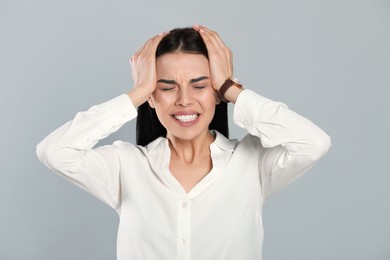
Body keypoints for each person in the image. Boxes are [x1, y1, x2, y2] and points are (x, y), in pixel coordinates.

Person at [36, 25, 331, 260]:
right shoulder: (125, 166)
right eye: (166, 87)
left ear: (216, 92)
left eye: (200, 85)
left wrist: (231, 88)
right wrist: (137, 92)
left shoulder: (251, 163)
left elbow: (314, 143)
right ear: (152, 96)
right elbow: (53, 151)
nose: (184, 100)